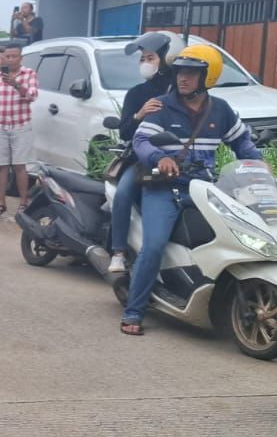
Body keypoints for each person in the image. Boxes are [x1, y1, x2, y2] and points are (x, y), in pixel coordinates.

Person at [120, 44, 261, 336]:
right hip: (164, 188)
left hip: (205, 189)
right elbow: (141, 142)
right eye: (180, 72)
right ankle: (134, 311)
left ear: (207, 78)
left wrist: (259, 167)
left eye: (191, 73)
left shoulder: (220, 110)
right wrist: (162, 158)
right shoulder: (161, 105)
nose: (183, 78)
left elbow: (242, 143)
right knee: (154, 245)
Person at [107, 34, 177, 274]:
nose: (145, 63)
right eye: (143, 59)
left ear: (166, 59)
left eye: (151, 58)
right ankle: (118, 252)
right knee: (124, 193)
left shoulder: (179, 91)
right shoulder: (136, 93)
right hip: (141, 159)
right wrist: (140, 114)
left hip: (178, 159)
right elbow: (126, 131)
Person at [0, 43, 38, 217]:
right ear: (4, 58)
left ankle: (22, 203)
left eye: (14, 56)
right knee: (0, 167)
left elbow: (32, 96)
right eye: (8, 56)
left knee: (20, 166)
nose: (11, 59)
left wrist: (16, 85)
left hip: (21, 125)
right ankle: (1, 203)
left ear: (21, 58)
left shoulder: (29, 74)